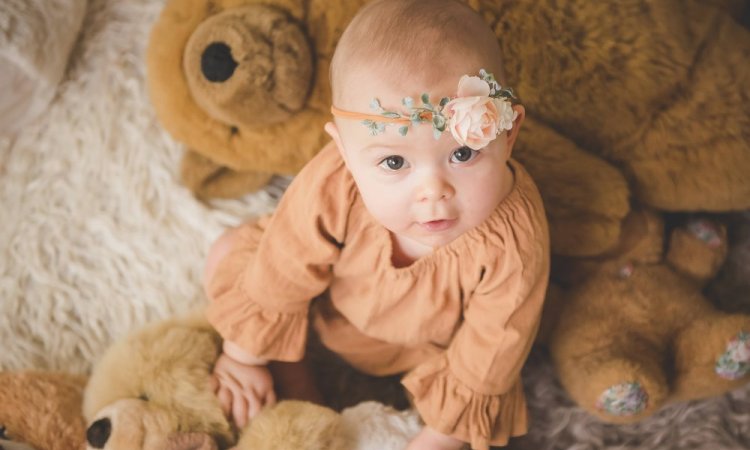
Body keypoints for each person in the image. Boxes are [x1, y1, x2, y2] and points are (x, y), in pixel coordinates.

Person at [203, 0, 550, 448]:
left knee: (480, 390)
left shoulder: (513, 236)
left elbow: (495, 342)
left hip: (425, 348)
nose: (433, 191)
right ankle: (296, 377)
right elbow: (285, 261)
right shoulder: (335, 181)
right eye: (393, 161)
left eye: (463, 154)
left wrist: (439, 438)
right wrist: (242, 357)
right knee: (229, 253)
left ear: (508, 133)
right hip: (323, 305)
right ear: (345, 151)